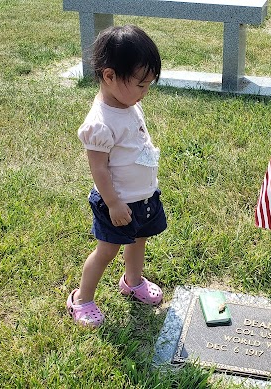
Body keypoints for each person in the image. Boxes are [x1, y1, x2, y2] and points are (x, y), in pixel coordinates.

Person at [66, 25, 165, 327]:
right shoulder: (100, 122)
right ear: (109, 76)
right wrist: (113, 203)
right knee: (106, 250)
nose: (145, 92)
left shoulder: (128, 104)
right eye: (141, 85)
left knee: (139, 240)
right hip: (117, 202)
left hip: (143, 196)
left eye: (149, 85)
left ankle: (132, 282)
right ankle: (81, 299)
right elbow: (99, 168)